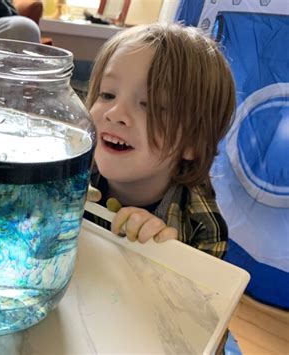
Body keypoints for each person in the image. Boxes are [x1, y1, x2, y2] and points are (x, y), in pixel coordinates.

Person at [85, 23, 236, 259]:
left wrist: (163, 253)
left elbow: (198, 293)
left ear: (192, 142)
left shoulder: (202, 226)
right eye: (107, 94)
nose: (114, 113)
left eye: (150, 105)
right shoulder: (68, 173)